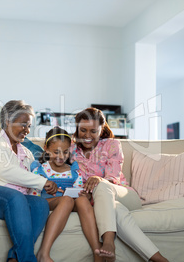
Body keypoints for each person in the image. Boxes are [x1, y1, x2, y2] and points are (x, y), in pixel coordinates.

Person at [0, 100, 59, 262]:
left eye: (29, 126)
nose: (27, 130)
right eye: (23, 124)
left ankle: (15, 257)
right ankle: (28, 259)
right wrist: (42, 182)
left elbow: (28, 182)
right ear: (7, 121)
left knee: (39, 204)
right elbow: (5, 170)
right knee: (15, 197)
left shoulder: (26, 153)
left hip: (15, 201)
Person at [71, 107, 169, 262]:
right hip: (102, 202)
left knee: (101, 185)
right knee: (117, 212)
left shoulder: (112, 144)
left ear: (101, 129)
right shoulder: (71, 149)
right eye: (83, 130)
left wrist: (99, 180)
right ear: (76, 128)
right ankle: (159, 259)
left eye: (93, 131)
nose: (87, 136)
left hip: (124, 194)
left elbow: (113, 175)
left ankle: (108, 242)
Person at [29, 127, 111, 262]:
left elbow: (79, 192)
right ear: (46, 149)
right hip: (46, 202)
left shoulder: (73, 171)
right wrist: (46, 186)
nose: (61, 157)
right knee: (66, 200)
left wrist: (85, 195)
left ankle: (97, 252)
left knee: (81, 201)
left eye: (65, 152)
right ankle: (43, 253)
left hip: (68, 202)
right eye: (56, 152)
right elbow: (33, 197)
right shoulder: (40, 170)